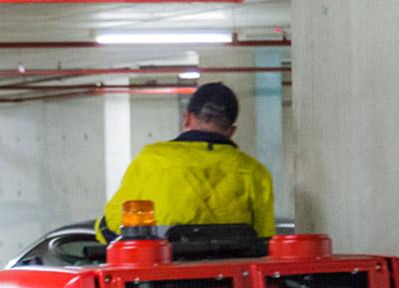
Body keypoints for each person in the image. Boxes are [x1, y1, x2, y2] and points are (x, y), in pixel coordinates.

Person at [96, 82, 275, 243]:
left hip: (162, 277)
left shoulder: (152, 160)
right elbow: (266, 239)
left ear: (187, 118)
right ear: (231, 130)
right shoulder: (255, 173)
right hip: (231, 277)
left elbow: (112, 225)